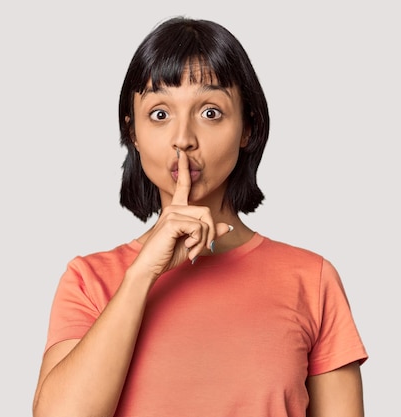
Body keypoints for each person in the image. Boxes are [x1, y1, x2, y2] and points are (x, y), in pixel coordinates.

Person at [33, 16, 368, 417]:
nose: (183, 138)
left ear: (247, 128)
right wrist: (141, 275)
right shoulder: (89, 280)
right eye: (160, 114)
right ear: (133, 133)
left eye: (210, 112)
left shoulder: (311, 281)